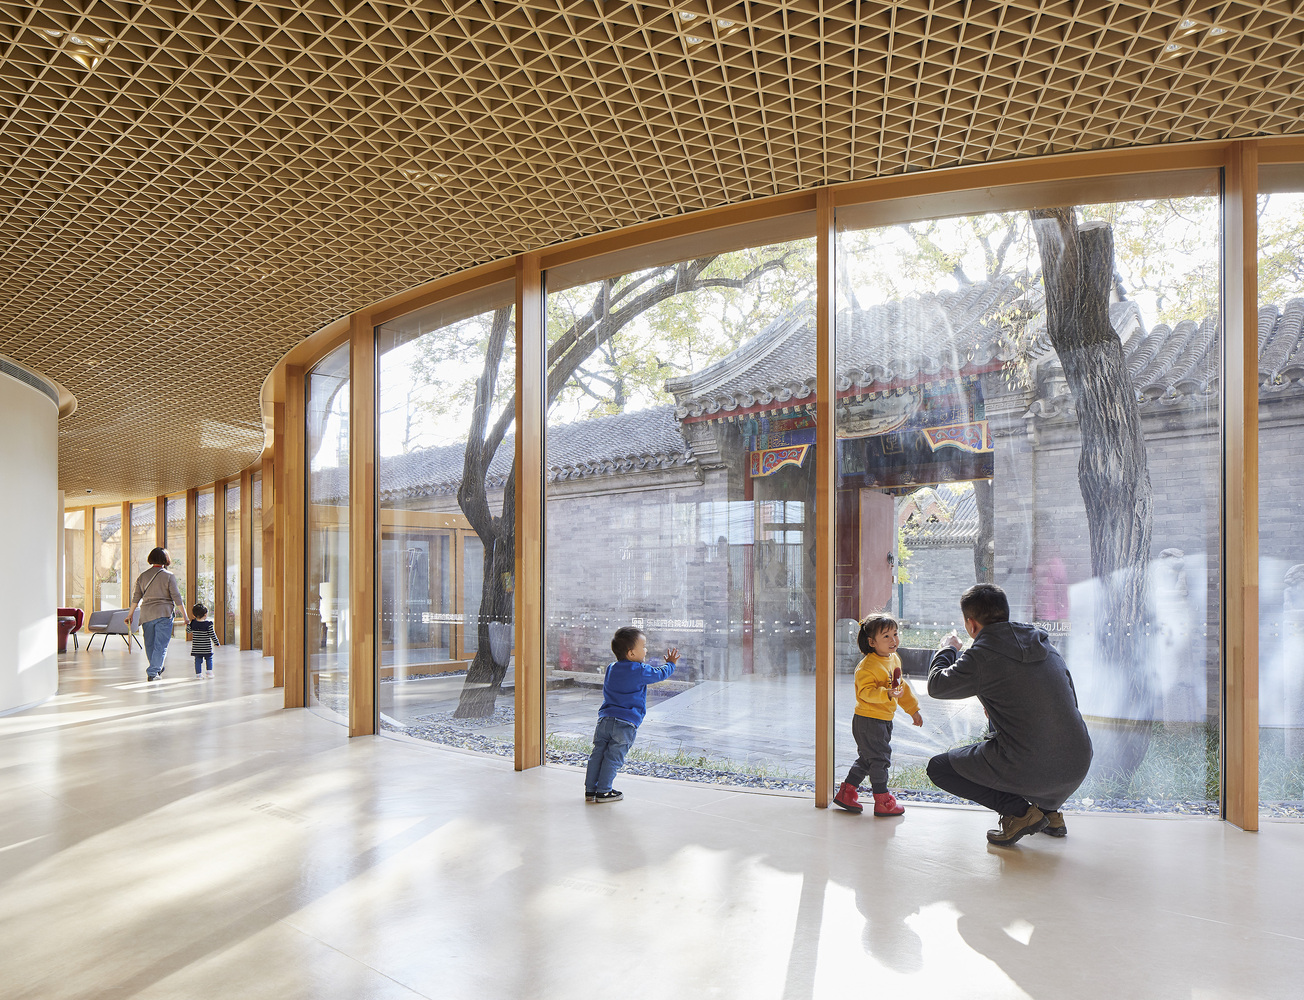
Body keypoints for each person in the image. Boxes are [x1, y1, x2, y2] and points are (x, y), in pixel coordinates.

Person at [926, 583, 1093, 847]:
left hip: (1035, 766)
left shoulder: (982, 655)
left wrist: (947, 649)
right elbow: (1066, 701)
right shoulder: (1044, 644)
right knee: (1020, 732)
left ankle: (1020, 813)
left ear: (971, 624)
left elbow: (936, 686)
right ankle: (1050, 813)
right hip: (1078, 761)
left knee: (939, 769)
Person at [833, 613, 923, 816]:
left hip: (883, 719)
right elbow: (865, 693)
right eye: (886, 636)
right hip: (868, 720)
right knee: (880, 759)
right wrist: (887, 693)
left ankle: (846, 793)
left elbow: (901, 687)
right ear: (871, 642)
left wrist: (913, 710)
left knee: (868, 759)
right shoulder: (867, 667)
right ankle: (882, 800)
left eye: (895, 634)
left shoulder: (894, 659)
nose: (893, 640)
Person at [584, 626, 678, 803]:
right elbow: (660, 674)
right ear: (631, 653)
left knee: (597, 754)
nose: (646, 650)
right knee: (613, 758)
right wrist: (671, 664)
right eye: (643, 646)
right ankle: (604, 791)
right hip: (625, 724)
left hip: (604, 720)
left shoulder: (611, 668)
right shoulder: (639, 670)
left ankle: (591, 790)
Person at [127, 547, 189, 682]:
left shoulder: (143, 576)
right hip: (164, 613)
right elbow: (177, 597)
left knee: (149, 643)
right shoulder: (169, 576)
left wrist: (130, 614)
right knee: (161, 644)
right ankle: (153, 671)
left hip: (146, 614)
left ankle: (155, 667)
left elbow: (136, 598)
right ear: (165, 559)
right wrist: (185, 616)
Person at [188, 603, 220, 678]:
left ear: (194, 615)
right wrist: (216, 642)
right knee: (209, 659)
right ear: (205, 614)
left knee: (197, 660)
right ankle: (209, 672)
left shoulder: (193, 623)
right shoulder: (208, 624)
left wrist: (188, 624)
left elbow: (188, 631)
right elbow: (212, 635)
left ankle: (198, 674)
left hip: (196, 648)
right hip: (206, 647)